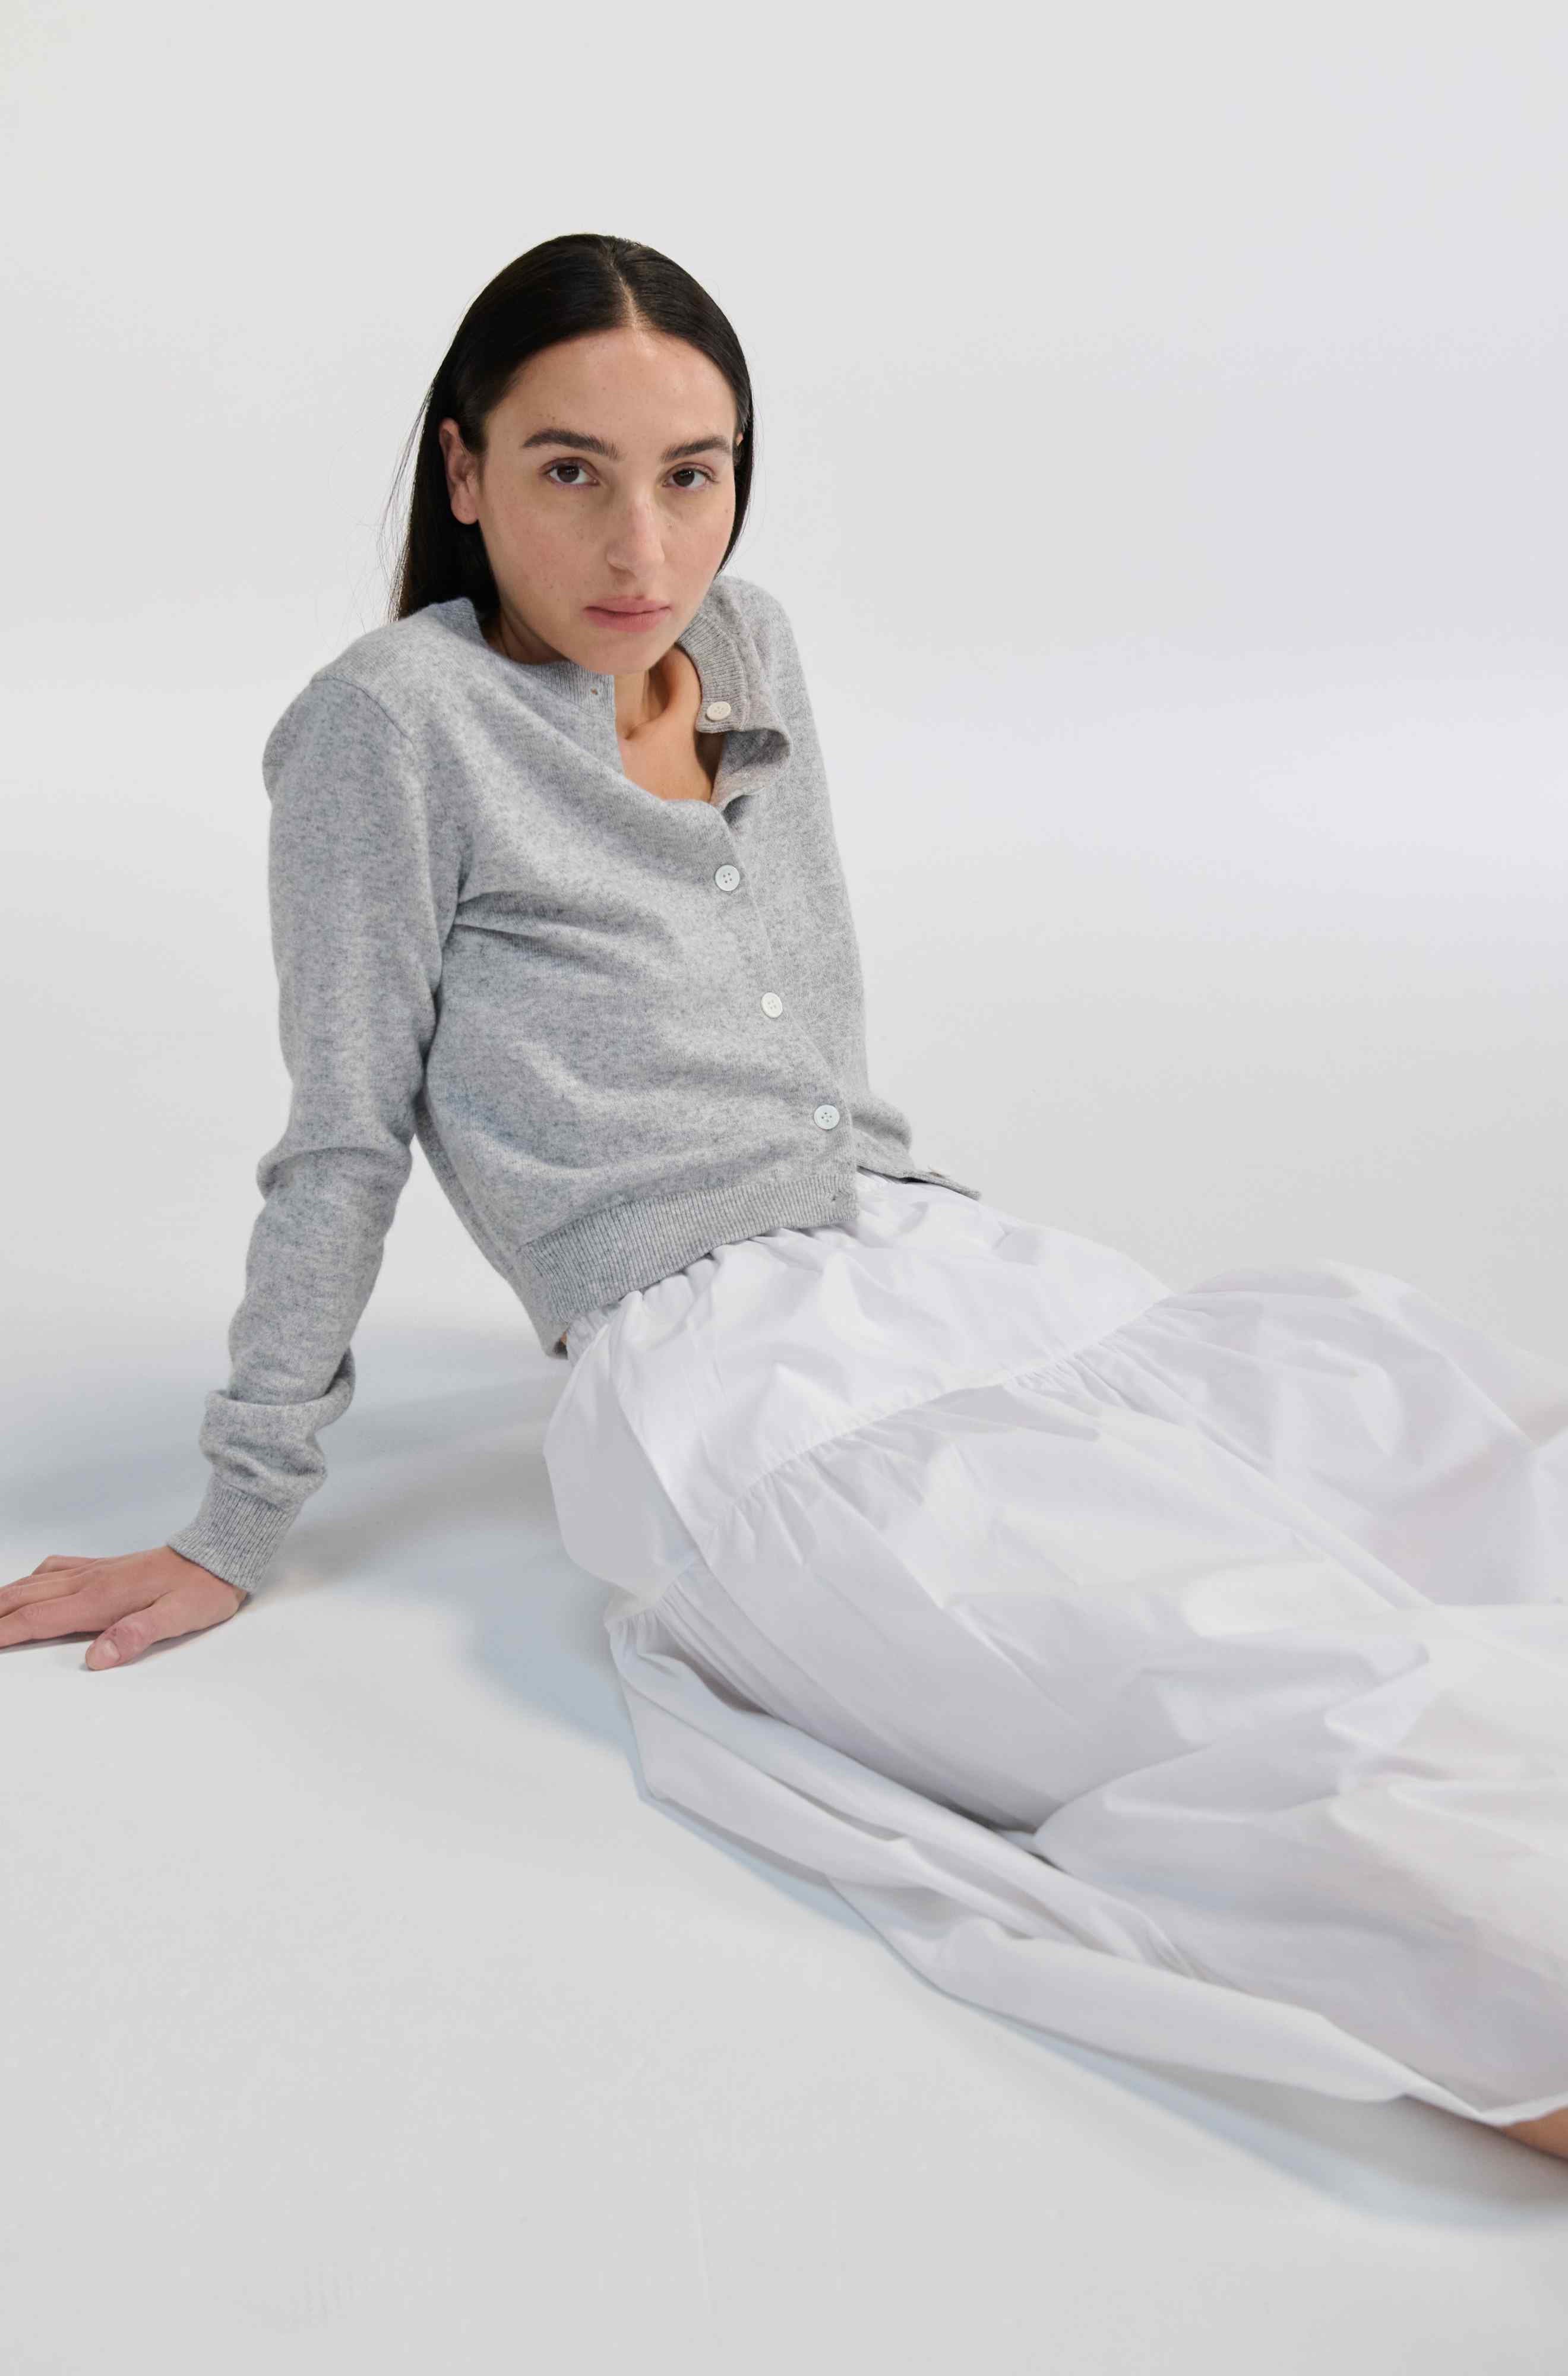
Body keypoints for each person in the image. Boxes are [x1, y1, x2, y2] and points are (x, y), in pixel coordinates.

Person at [7, 232, 1568, 2165]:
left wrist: (944, 1251)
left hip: (922, 1248)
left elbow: (809, 1014)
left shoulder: (745, 645)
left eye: (695, 473)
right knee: (1215, 1675)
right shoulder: (386, 728)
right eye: (571, 470)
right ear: (464, 469)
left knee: (1430, 1436)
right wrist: (238, 1515)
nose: (642, 547)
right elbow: (345, 1128)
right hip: (722, 1357)